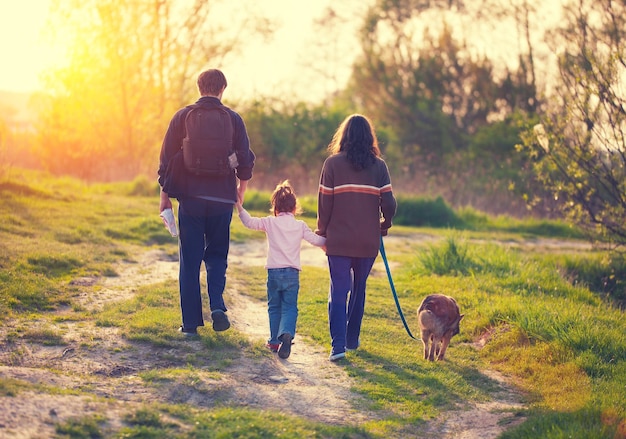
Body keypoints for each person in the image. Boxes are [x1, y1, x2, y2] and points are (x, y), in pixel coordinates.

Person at [158, 68, 255, 336]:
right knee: (216, 257)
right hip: (222, 200)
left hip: (190, 200)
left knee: (189, 261)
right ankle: (217, 306)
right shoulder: (234, 120)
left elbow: (166, 160)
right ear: (223, 89)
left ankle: (190, 325)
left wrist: (164, 197)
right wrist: (240, 191)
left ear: (199, 87)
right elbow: (245, 160)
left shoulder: (183, 116)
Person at [316, 114, 397, 361]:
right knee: (359, 289)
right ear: (369, 137)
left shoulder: (332, 164)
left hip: (339, 240)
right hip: (367, 241)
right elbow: (390, 203)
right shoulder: (379, 166)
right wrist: (385, 224)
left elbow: (324, 204)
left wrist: (322, 231)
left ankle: (338, 346)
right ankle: (352, 340)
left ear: (344, 136)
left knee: (339, 291)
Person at [236, 180, 326, 359]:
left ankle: (274, 341)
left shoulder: (270, 222)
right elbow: (317, 241)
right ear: (294, 208)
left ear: (275, 207)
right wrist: (333, 238)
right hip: (292, 273)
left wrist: (238, 205)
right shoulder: (300, 225)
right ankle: (287, 333)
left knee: (274, 307)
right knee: (290, 307)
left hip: (274, 273)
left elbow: (249, 222)